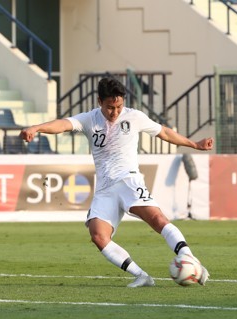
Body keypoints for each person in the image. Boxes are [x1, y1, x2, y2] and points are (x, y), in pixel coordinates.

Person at [20, 77, 212, 288]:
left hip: (128, 179)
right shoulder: (89, 119)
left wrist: (194, 144)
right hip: (105, 188)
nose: (115, 112)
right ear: (99, 101)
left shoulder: (134, 117)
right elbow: (63, 124)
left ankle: (191, 261)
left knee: (157, 218)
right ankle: (142, 276)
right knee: (98, 235)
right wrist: (36, 128)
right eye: (110, 107)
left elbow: (164, 132)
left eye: (119, 106)